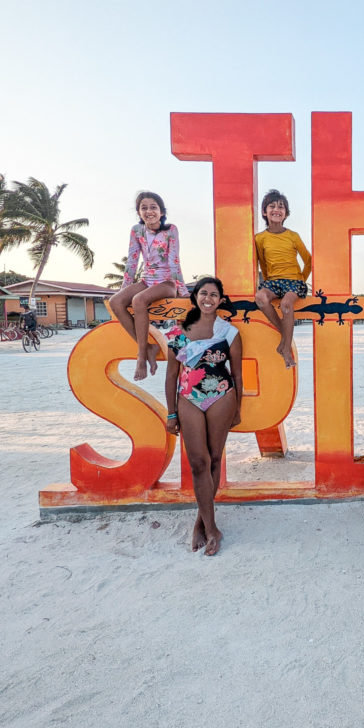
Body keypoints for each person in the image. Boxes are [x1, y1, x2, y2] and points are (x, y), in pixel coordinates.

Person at [164, 276, 242, 556]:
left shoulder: (228, 332)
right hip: (188, 399)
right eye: (203, 293)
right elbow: (172, 375)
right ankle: (211, 527)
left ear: (221, 300)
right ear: (195, 296)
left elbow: (237, 374)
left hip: (222, 396)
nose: (208, 298)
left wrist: (239, 409)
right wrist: (171, 413)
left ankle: (203, 522)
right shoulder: (177, 332)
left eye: (214, 294)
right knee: (199, 463)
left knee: (215, 458)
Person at [110, 192, 188, 382]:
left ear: (161, 212)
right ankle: (147, 347)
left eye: (153, 207)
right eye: (144, 207)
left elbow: (174, 261)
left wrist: (183, 292)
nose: (149, 211)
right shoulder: (137, 230)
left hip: (167, 282)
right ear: (139, 212)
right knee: (116, 302)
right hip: (146, 279)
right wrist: (124, 288)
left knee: (139, 300)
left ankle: (141, 357)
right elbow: (132, 261)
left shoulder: (171, 230)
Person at [253, 189, 311, 369]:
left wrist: (301, 279)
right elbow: (262, 263)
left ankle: (285, 347)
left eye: (281, 207)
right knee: (260, 298)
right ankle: (285, 339)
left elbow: (308, 260)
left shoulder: (293, 236)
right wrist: (268, 284)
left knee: (286, 304)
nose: (277, 209)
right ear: (264, 211)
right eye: (272, 206)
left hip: (294, 281)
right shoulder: (260, 238)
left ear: (286, 213)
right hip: (273, 281)